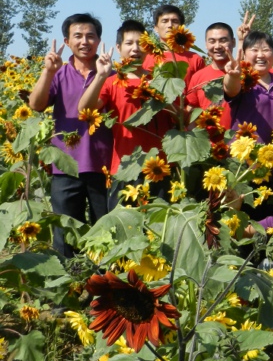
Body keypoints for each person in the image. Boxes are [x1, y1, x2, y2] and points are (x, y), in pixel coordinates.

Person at [28, 13, 113, 257]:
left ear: (99, 40)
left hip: (103, 165)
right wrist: (47, 71)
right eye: (78, 36)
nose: (84, 41)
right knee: (65, 234)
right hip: (65, 165)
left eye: (90, 36)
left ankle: (102, 285)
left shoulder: (110, 73)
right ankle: (68, 285)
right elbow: (35, 105)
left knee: (105, 230)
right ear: (67, 41)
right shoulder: (60, 74)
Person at [79, 20, 175, 208]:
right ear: (119, 47)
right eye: (129, 43)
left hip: (159, 168)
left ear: (147, 47)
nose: (135, 49)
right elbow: (85, 109)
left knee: (159, 228)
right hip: (125, 168)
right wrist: (100, 75)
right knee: (126, 230)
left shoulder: (160, 80)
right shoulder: (112, 82)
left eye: (140, 43)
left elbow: (178, 115)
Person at [222, 31, 273, 142]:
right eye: (254, 50)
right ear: (244, 55)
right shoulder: (242, 83)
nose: (261, 55)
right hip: (246, 155)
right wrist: (232, 76)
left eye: (266, 50)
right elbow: (230, 89)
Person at [142, 4, 206, 88]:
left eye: (175, 21)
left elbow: (201, 90)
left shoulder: (195, 59)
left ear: (181, 27)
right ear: (156, 28)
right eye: (164, 21)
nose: (170, 25)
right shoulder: (145, 57)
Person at [186, 21, 237, 110]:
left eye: (223, 40)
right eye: (212, 41)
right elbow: (192, 114)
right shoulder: (198, 77)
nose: (217, 46)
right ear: (206, 44)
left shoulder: (244, 73)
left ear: (233, 42)